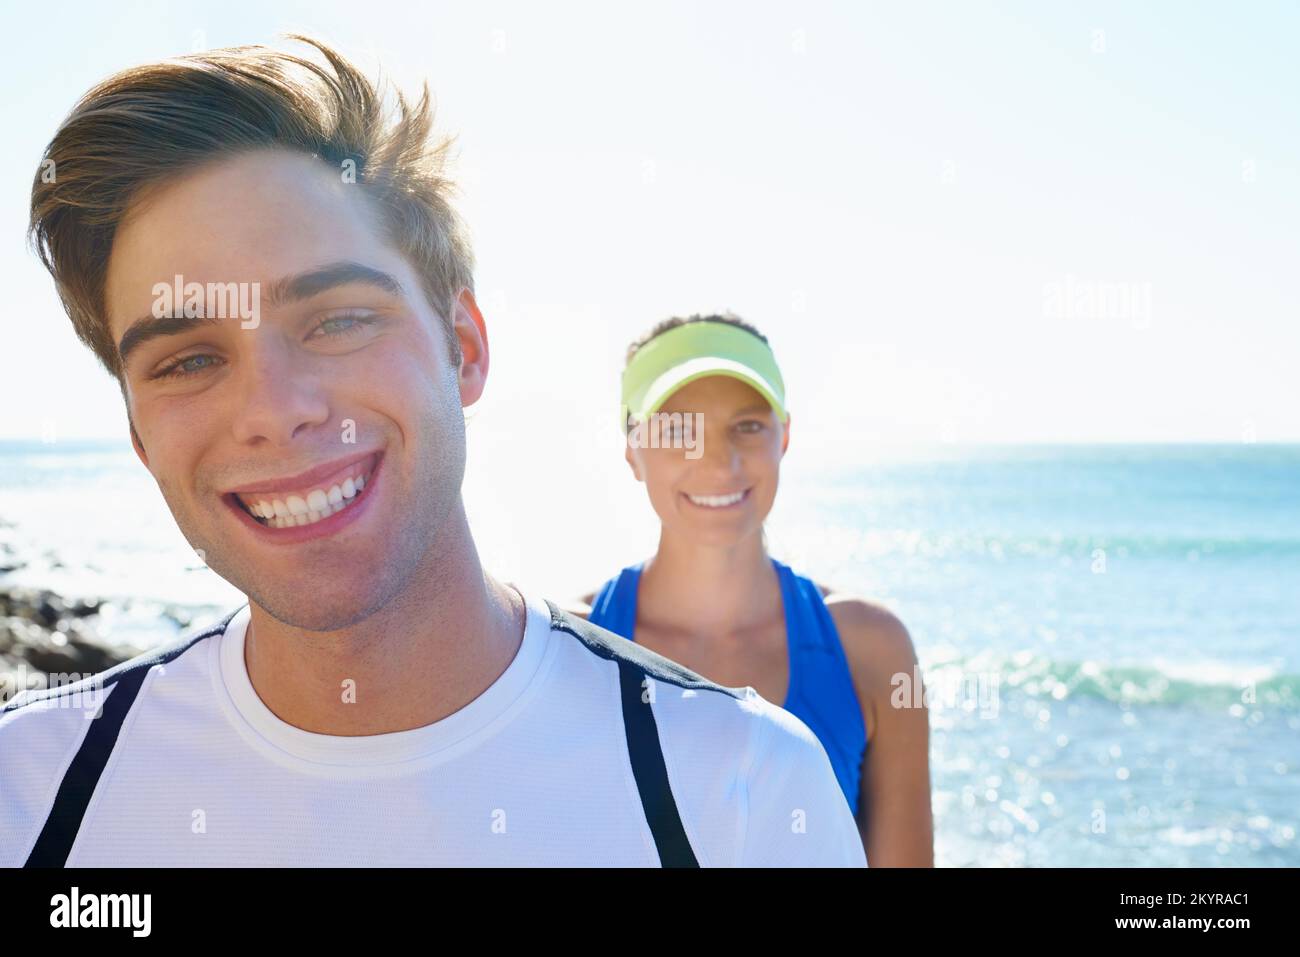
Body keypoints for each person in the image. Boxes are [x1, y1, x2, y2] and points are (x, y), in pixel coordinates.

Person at [0, 37, 865, 867]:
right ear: (140, 436)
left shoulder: (740, 791)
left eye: (336, 319)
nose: (273, 412)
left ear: (466, 345)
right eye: (188, 360)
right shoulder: (29, 797)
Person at [571, 313, 934, 865]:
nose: (720, 461)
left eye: (747, 425)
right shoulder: (568, 647)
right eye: (679, 431)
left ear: (783, 436)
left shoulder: (874, 650)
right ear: (631, 449)